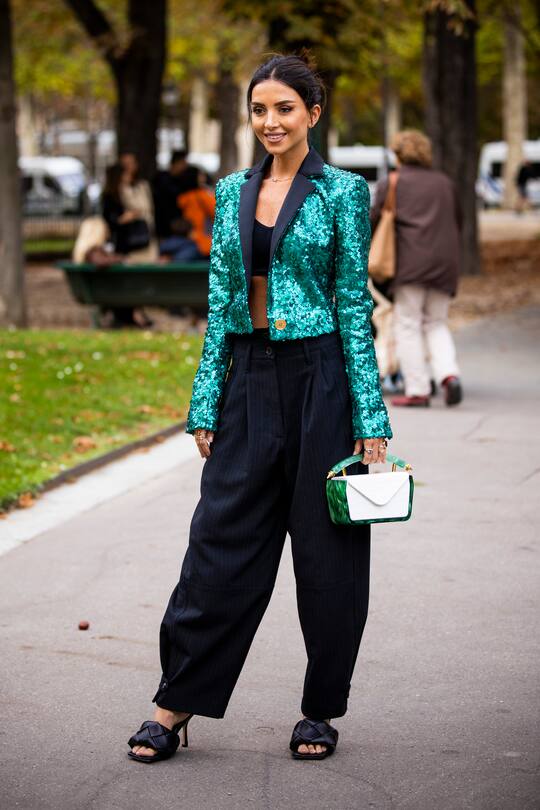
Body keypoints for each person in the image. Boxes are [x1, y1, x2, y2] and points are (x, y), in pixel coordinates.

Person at [127, 52, 392, 765]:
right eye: (259, 109)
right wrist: (204, 402)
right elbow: (220, 307)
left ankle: (320, 710)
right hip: (248, 378)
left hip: (323, 380)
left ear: (313, 113)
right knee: (218, 545)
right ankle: (173, 705)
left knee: (328, 553)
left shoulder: (343, 192)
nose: (269, 121)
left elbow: (351, 305)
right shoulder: (232, 190)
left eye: (283, 108)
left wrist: (371, 419)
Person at [370, 129, 463, 407]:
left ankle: (418, 389)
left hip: (411, 265)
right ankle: (448, 375)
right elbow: (459, 220)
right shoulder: (445, 183)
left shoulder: (394, 182)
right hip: (445, 264)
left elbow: (374, 220)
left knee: (407, 324)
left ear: (397, 154)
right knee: (436, 322)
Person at [101, 163, 154, 328]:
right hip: (122, 243)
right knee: (125, 279)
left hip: (126, 243)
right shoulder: (111, 197)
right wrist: (128, 217)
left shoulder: (119, 194)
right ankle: (125, 314)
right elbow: (112, 221)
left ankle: (128, 314)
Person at [152, 149, 190, 239]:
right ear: (176, 163)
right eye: (183, 163)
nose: (185, 166)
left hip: (178, 226)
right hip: (163, 225)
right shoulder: (161, 179)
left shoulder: (183, 180)